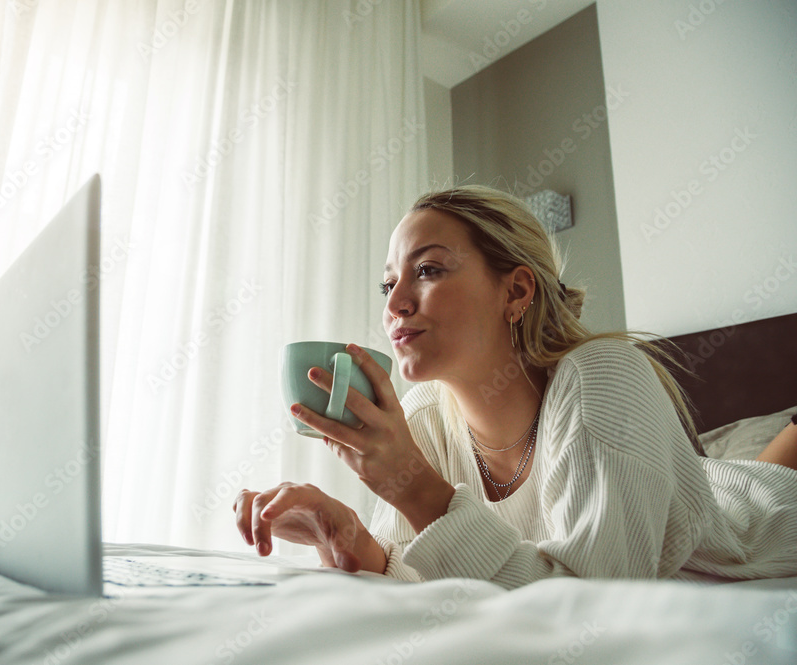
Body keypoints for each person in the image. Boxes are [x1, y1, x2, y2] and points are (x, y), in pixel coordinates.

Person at [233, 185, 797, 587]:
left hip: (766, 511)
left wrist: (416, 489)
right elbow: (424, 571)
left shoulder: (604, 374)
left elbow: (589, 606)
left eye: (428, 270)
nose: (396, 304)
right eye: (387, 284)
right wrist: (348, 534)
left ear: (516, 292)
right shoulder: (427, 411)